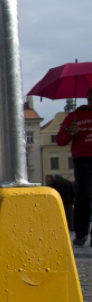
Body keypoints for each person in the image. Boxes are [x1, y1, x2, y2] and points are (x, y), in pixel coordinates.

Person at [57, 93, 92, 245]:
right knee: (84, 194)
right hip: (82, 159)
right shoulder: (75, 116)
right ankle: (80, 233)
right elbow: (60, 140)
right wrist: (71, 132)